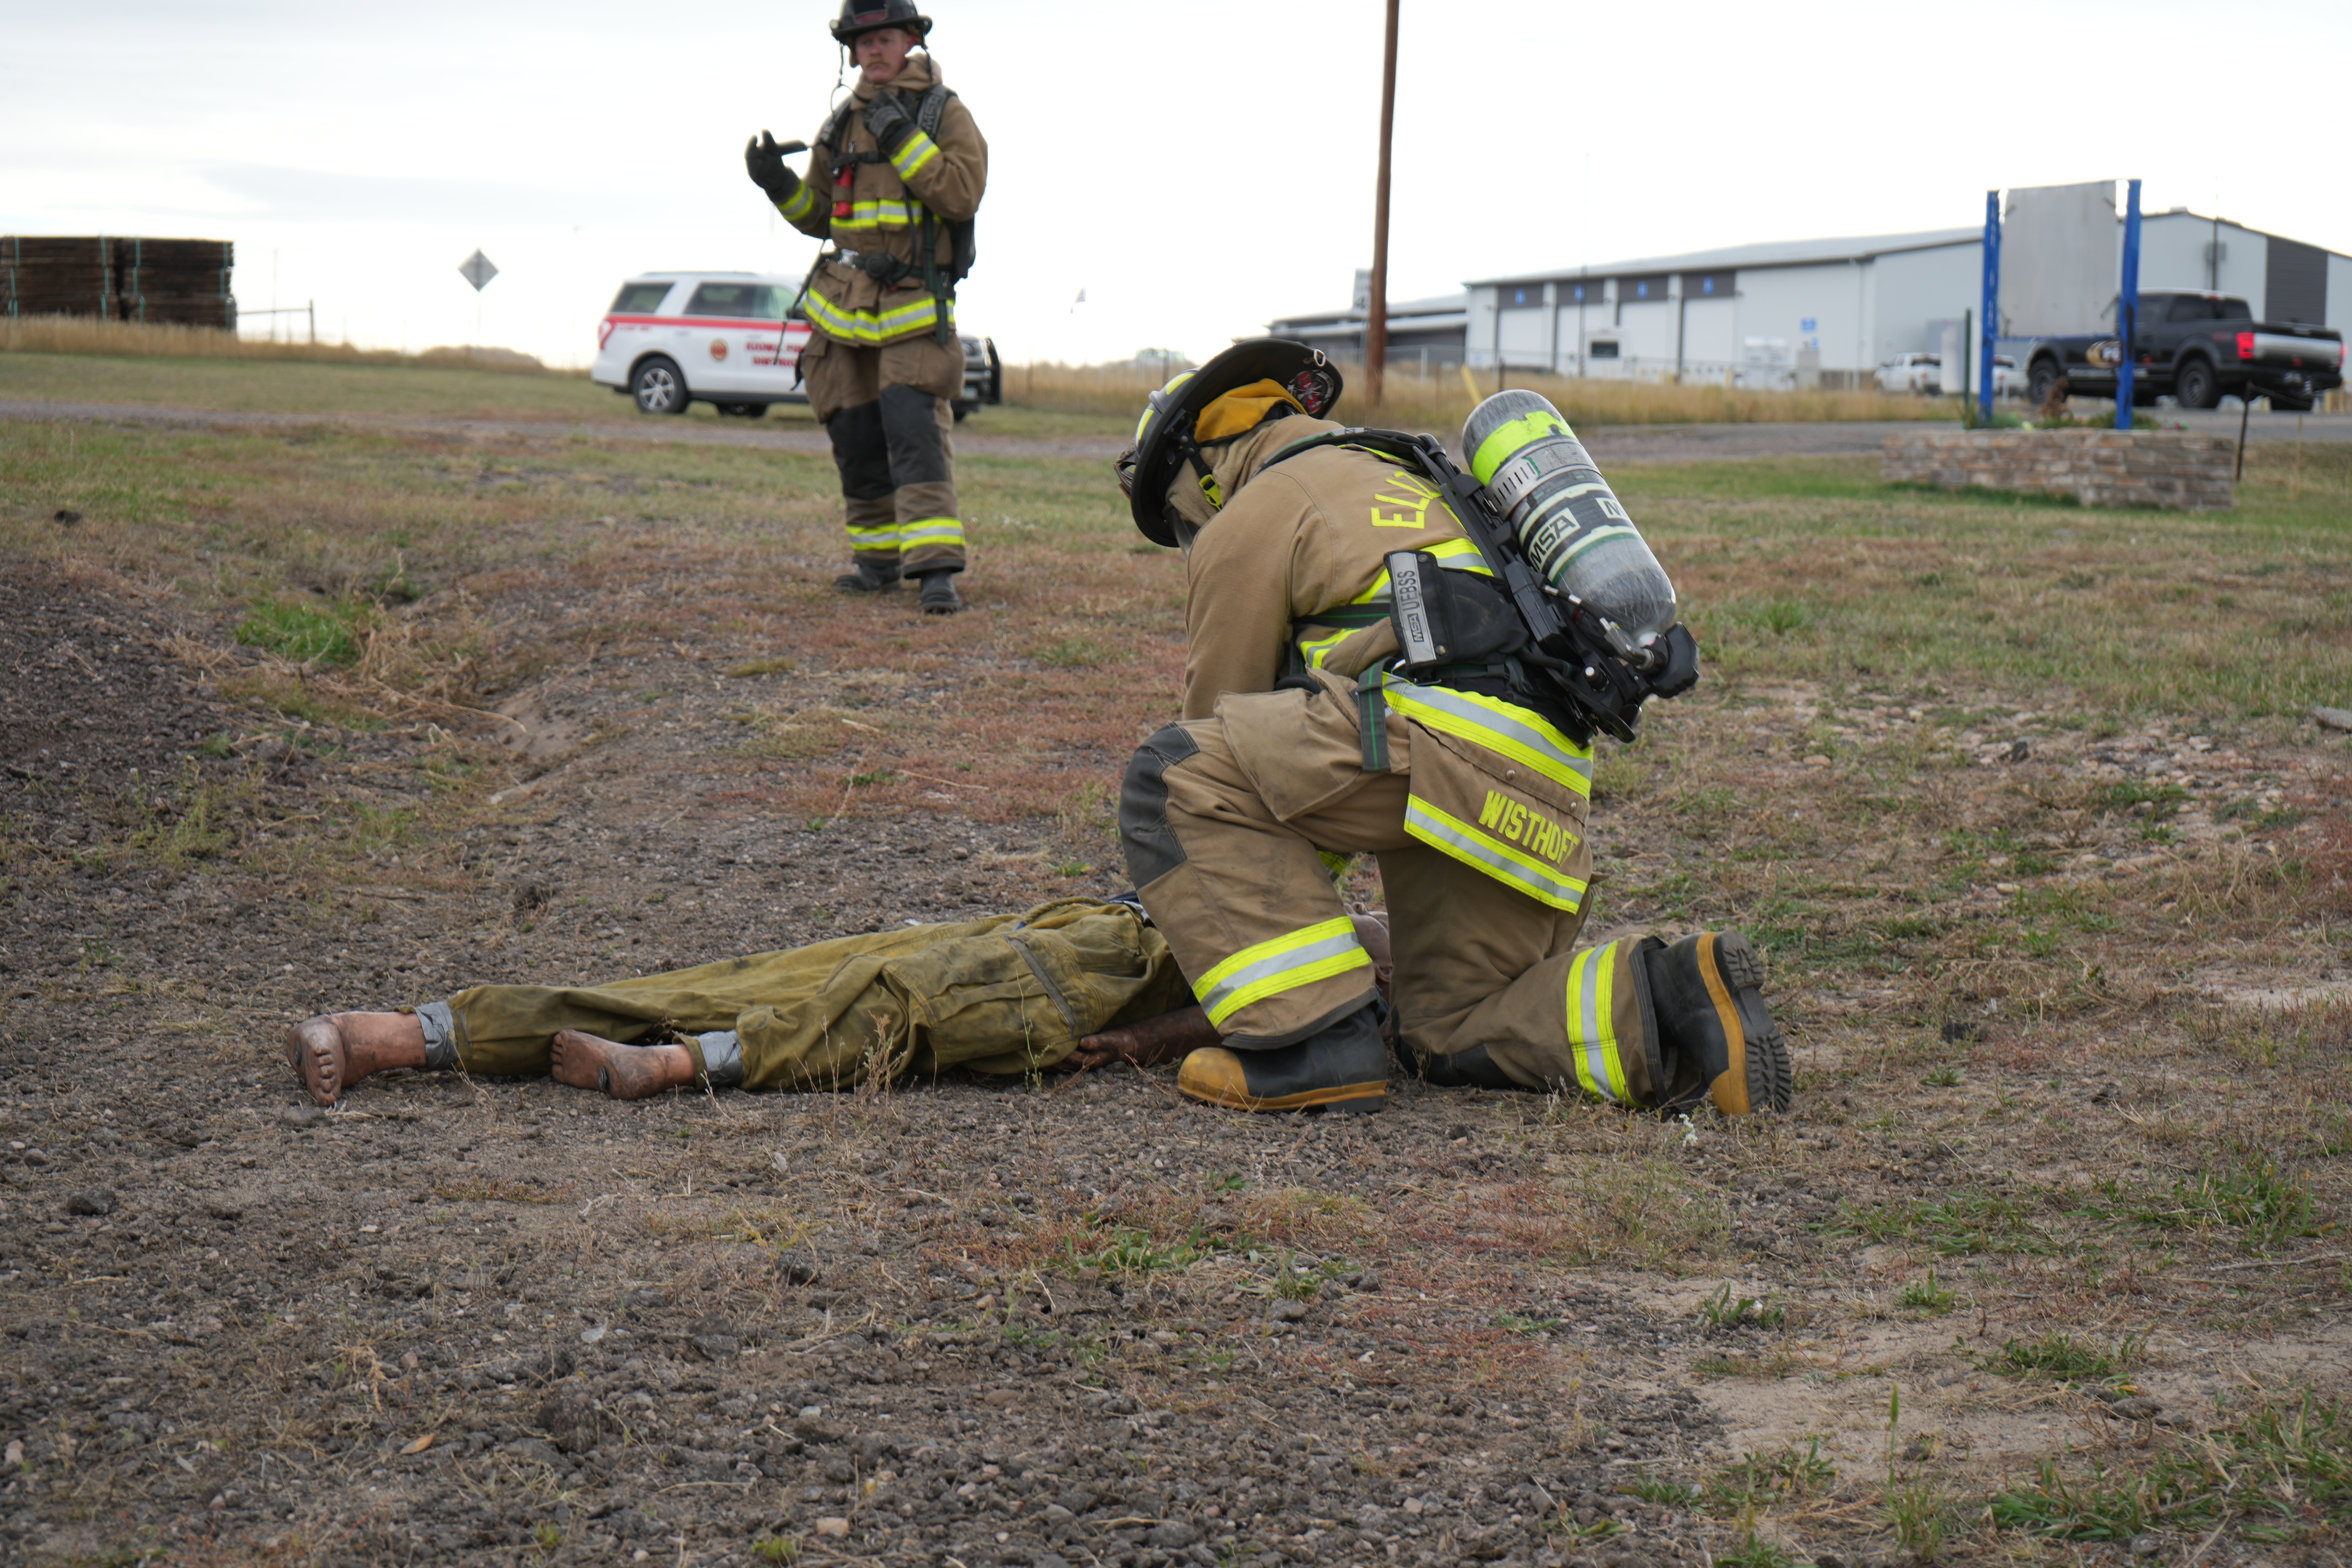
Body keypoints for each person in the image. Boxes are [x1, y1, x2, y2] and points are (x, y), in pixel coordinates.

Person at [1112, 340, 1796, 1118]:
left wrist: (1200, 907)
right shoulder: (1410, 472)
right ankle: (1673, 1000)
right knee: (1451, 1023)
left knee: (1173, 775)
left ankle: (1312, 1046)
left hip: (1424, 747)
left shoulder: (1259, 507)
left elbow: (1216, 735)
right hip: (1540, 790)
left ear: (1201, 466)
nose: (1189, 532)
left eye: (1178, 514)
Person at [281, 900, 1394, 1109]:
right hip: (1087, 956)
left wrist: (1139, 1038)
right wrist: (1142, 1036)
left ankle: (392, 1038)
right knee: (890, 1010)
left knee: (809, 992)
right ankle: (417, 1034)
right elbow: (1309, 988)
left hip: (1077, 948)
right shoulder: (1374, 947)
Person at [743, 0, 986, 615]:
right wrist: (777, 184)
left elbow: (961, 194)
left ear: (910, 41)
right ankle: (876, 564)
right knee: (854, 436)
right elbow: (821, 218)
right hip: (843, 311)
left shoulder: (944, 113)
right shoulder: (841, 124)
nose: (873, 50)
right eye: (863, 41)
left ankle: (935, 572)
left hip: (912, 306)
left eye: (885, 38)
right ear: (850, 51)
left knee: (914, 433)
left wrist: (901, 137)